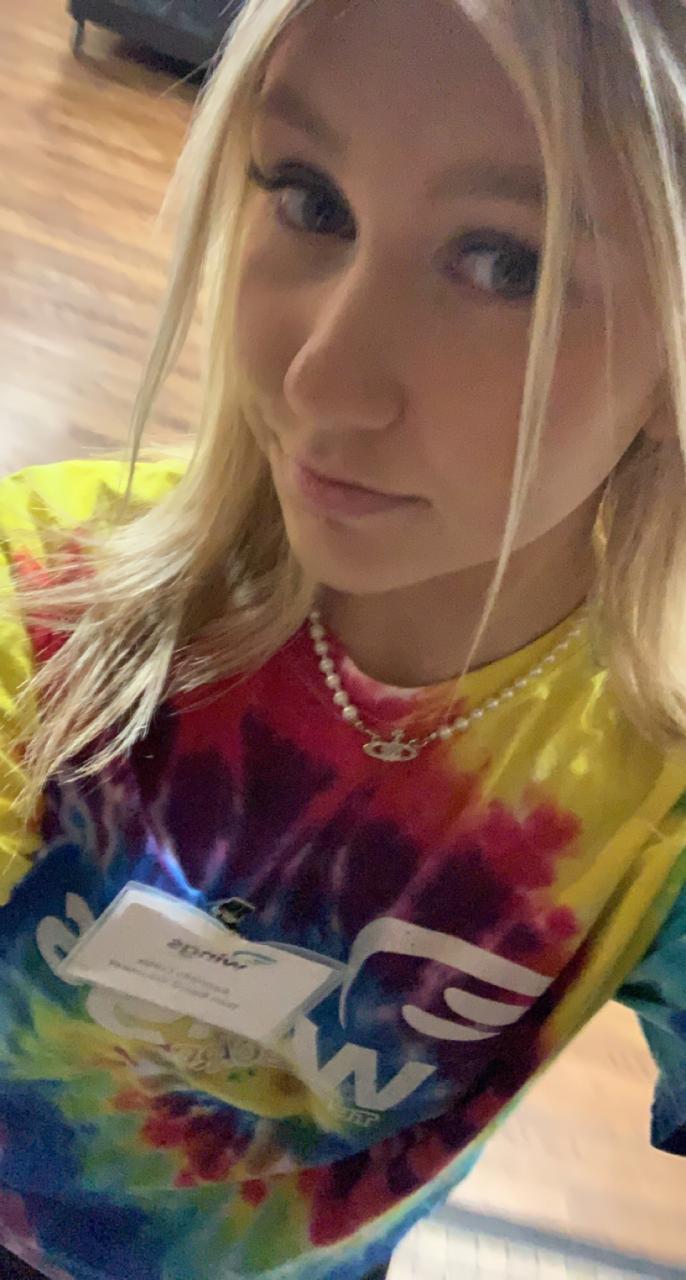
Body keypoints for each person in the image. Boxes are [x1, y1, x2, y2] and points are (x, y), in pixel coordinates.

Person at [1, 0, 686, 1277]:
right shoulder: (45, 601)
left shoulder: (656, 798)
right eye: (311, 199)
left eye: (505, 264)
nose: (322, 378)